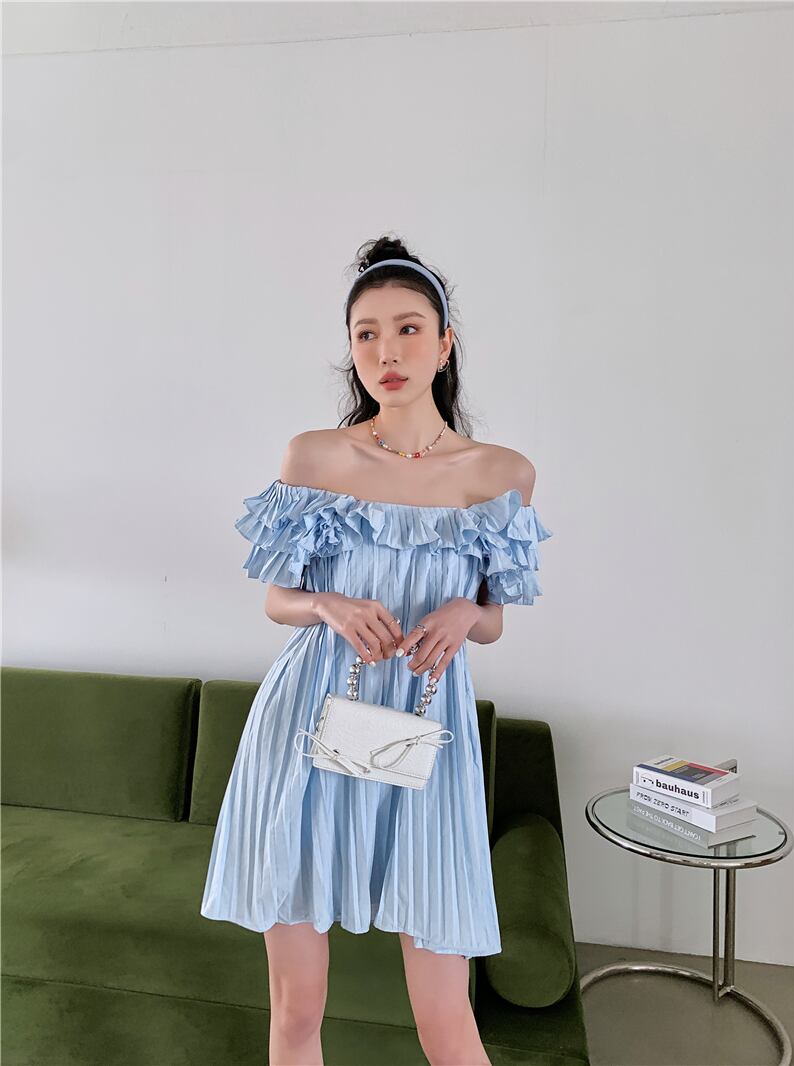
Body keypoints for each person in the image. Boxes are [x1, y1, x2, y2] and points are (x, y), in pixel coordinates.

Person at [200, 234, 553, 1066]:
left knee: (445, 1020)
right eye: (366, 334)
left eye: (407, 329)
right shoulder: (316, 456)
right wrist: (325, 603)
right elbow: (277, 599)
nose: (386, 352)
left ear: (445, 344)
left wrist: (465, 613)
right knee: (297, 1011)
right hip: (308, 723)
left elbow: (494, 620)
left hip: (424, 739)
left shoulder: (501, 475)